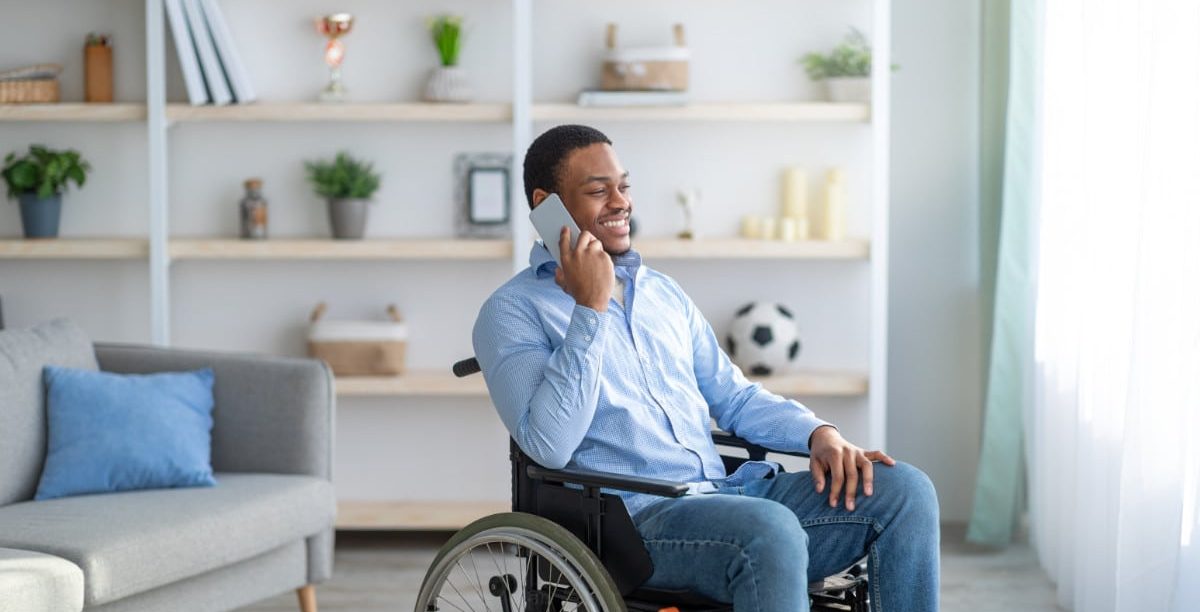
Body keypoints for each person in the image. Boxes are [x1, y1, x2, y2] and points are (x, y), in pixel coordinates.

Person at [473, 124, 940, 611]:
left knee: (905, 492)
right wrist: (590, 309)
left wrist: (817, 433)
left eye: (624, 186)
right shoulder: (511, 312)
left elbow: (734, 397)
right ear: (547, 205)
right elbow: (550, 444)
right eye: (598, 190)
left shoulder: (662, 294)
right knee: (769, 529)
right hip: (632, 528)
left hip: (729, 496)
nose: (621, 202)